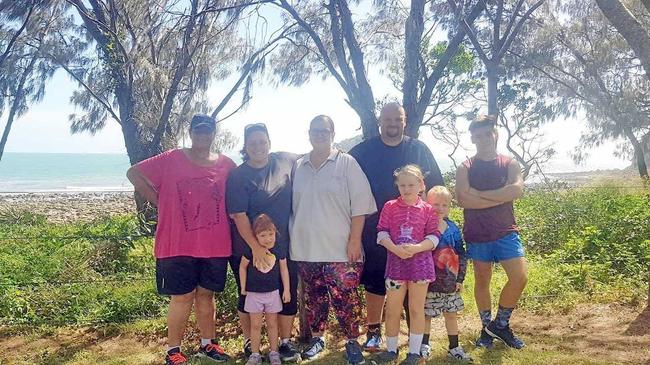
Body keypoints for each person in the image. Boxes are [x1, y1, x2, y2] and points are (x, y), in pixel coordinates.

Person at [126, 114, 235, 365]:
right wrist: (158, 201)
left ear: (213, 134)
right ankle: (173, 351)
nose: (203, 136)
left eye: (207, 131)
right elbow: (134, 173)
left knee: (206, 296)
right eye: (198, 131)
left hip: (214, 244)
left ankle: (208, 345)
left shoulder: (226, 165)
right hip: (177, 243)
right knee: (182, 297)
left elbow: (241, 189)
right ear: (191, 132)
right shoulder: (172, 158)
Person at [348, 102, 444, 351]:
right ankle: (373, 332)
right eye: (388, 119)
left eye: (398, 119)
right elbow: (344, 187)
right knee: (374, 281)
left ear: (405, 121)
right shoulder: (361, 152)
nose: (393, 123)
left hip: (418, 235)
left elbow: (436, 188)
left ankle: (418, 339)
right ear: (380, 120)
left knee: (415, 286)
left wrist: (440, 222)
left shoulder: (419, 149)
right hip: (377, 230)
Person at [290, 115, 377, 365]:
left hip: (341, 248)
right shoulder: (299, 165)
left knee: (346, 298)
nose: (320, 134)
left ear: (333, 134)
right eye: (315, 130)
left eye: (324, 131)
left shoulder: (347, 163)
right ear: (308, 133)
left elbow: (360, 207)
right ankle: (318, 338)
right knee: (314, 297)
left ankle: (352, 342)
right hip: (306, 248)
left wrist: (354, 241)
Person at [226, 123, 300, 362]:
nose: (258, 146)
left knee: (286, 294)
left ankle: (285, 343)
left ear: (269, 141)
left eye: (262, 141)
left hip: (283, 246)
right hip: (247, 248)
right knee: (248, 295)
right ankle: (251, 343)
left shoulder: (285, 160)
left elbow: (314, 158)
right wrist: (257, 249)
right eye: (253, 143)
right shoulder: (238, 175)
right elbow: (238, 215)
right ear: (245, 146)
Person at [455, 115, 528, 349]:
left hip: (506, 231)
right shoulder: (465, 167)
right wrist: (499, 195)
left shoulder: (510, 164)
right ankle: (486, 329)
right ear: (472, 139)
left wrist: (480, 194)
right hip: (478, 233)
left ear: (495, 134)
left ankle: (500, 325)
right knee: (482, 280)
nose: (483, 139)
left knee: (519, 278)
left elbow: (516, 191)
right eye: (478, 135)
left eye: (487, 133)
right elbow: (464, 199)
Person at [374, 164, 440, 365]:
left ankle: (413, 353)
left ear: (421, 185)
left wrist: (417, 247)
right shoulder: (389, 206)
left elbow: (434, 237)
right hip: (395, 266)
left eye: (411, 184)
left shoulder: (429, 210)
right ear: (397, 185)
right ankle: (391, 350)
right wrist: (394, 249)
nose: (406, 188)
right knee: (393, 309)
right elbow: (381, 232)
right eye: (402, 185)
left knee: (416, 309)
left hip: (421, 267)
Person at [422, 186, 471, 361]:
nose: (440, 208)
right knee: (426, 315)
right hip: (429, 282)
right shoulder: (424, 226)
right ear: (427, 204)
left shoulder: (453, 228)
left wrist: (460, 278)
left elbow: (461, 253)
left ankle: (454, 347)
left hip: (450, 282)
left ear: (450, 206)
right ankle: (424, 345)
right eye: (435, 204)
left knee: (451, 314)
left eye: (445, 205)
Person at [240, 214, 291, 365]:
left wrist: (286, 290)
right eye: (263, 235)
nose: (268, 238)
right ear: (255, 236)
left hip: (273, 294)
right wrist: (243, 287)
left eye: (271, 234)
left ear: (275, 233)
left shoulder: (279, 249)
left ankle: (274, 352)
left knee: (273, 324)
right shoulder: (251, 250)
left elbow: (284, 270)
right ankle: (255, 354)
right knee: (255, 325)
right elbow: (242, 267)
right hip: (254, 294)